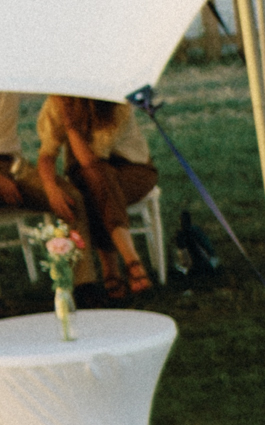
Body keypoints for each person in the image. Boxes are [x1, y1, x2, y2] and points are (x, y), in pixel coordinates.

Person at [16, 96, 159, 301]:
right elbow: (47, 154)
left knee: (96, 182)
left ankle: (114, 269)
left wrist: (71, 128)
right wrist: (50, 186)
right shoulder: (59, 103)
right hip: (90, 176)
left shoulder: (116, 104)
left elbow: (90, 160)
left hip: (132, 169)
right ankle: (130, 263)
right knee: (92, 184)